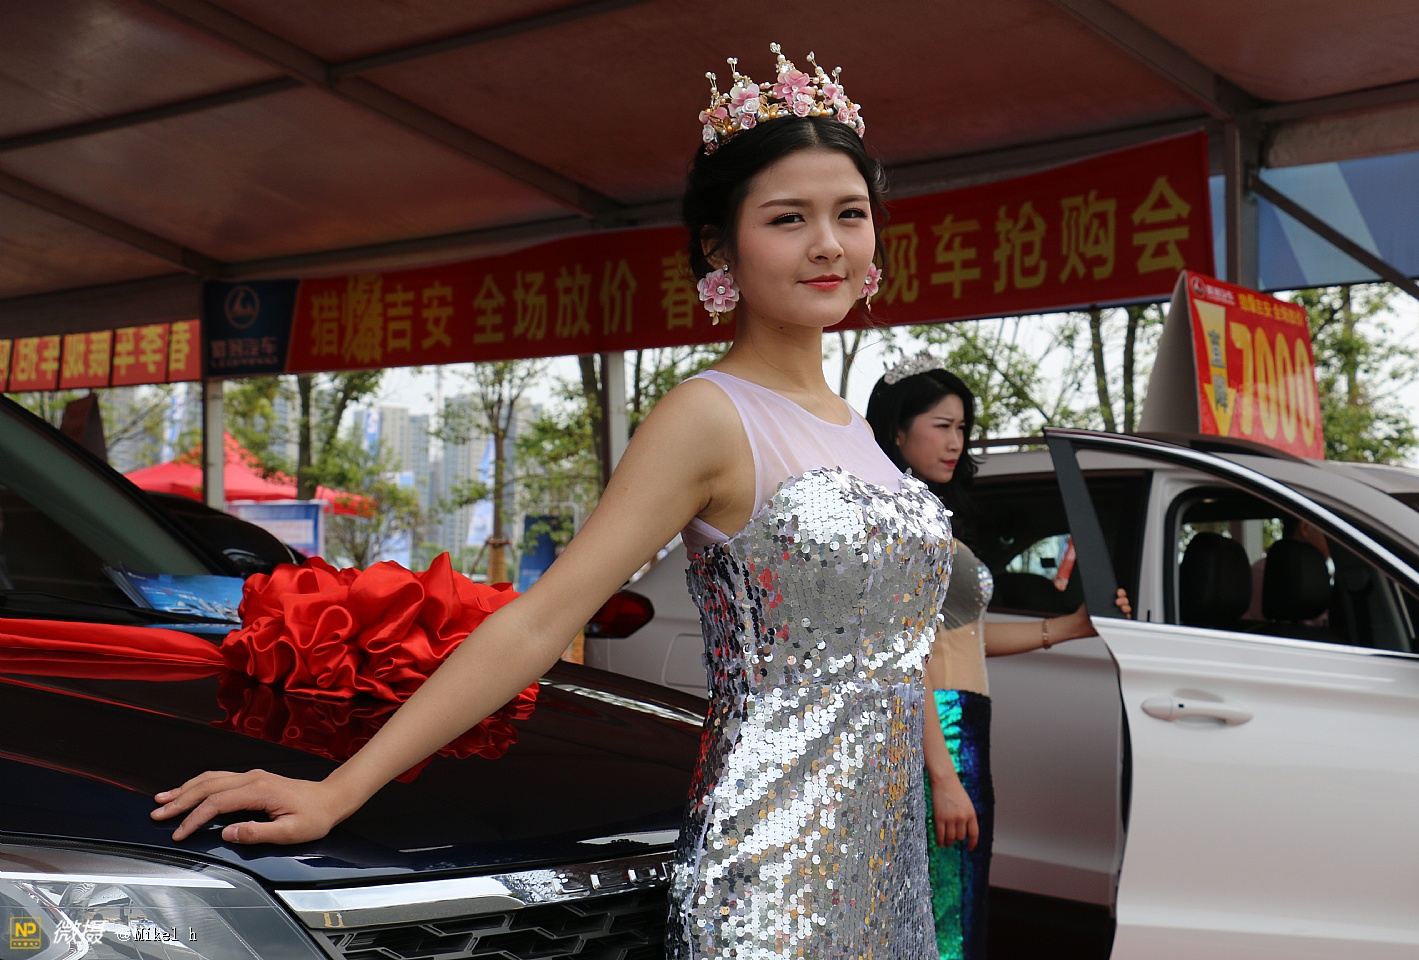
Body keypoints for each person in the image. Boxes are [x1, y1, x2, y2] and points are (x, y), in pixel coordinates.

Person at [153, 45, 952, 960]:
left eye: (850, 213)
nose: (828, 244)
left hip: (885, 870)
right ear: (720, 248)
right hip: (772, 878)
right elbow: (539, 624)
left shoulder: (858, 431)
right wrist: (339, 790)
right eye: (787, 218)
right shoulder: (709, 416)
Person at [866, 358, 1129, 959]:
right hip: (937, 728)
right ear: (898, 432)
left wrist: (1070, 627)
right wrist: (942, 775)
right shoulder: (898, 524)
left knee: (951, 904)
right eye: (941, 426)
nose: (956, 442)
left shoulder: (926, 517)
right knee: (944, 917)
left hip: (957, 730)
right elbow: (902, 663)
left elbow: (963, 636)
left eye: (962, 428)